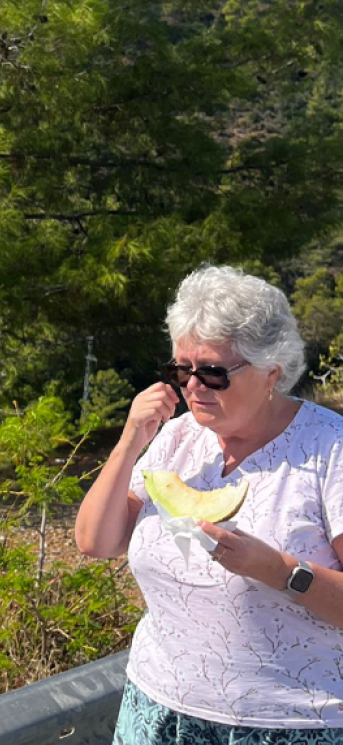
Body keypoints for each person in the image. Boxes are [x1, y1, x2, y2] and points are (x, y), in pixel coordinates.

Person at [75, 265, 343, 740]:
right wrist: (130, 440)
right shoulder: (176, 439)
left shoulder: (330, 449)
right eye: (181, 370)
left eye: (214, 373)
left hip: (287, 725)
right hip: (157, 710)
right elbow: (97, 541)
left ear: (271, 373)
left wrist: (279, 571)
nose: (193, 386)